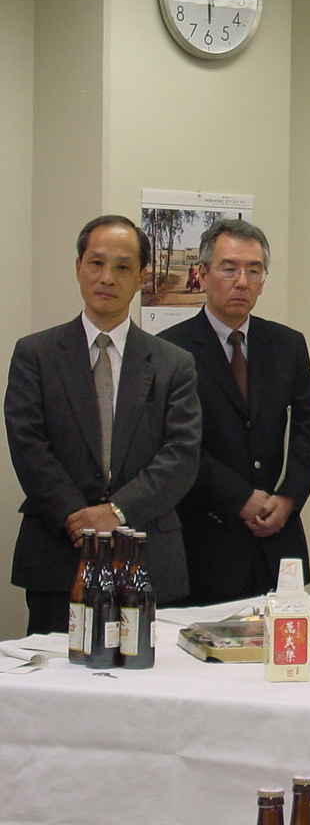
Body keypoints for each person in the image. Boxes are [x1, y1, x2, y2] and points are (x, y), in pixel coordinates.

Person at [6, 214, 201, 634]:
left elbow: (181, 456)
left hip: (146, 555)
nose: (107, 277)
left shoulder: (173, 363)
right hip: (59, 553)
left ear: (141, 277)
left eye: (123, 266)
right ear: (78, 267)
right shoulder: (35, 354)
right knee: (56, 671)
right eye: (96, 263)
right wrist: (78, 518)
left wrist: (117, 512)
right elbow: (28, 446)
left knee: (146, 671)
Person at [159, 220, 310, 604]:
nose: (242, 282)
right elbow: (176, 446)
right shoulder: (170, 350)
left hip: (277, 540)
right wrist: (239, 498)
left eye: (254, 270)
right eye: (229, 268)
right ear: (202, 274)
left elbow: (307, 433)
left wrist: (288, 498)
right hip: (206, 542)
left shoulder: (287, 344)